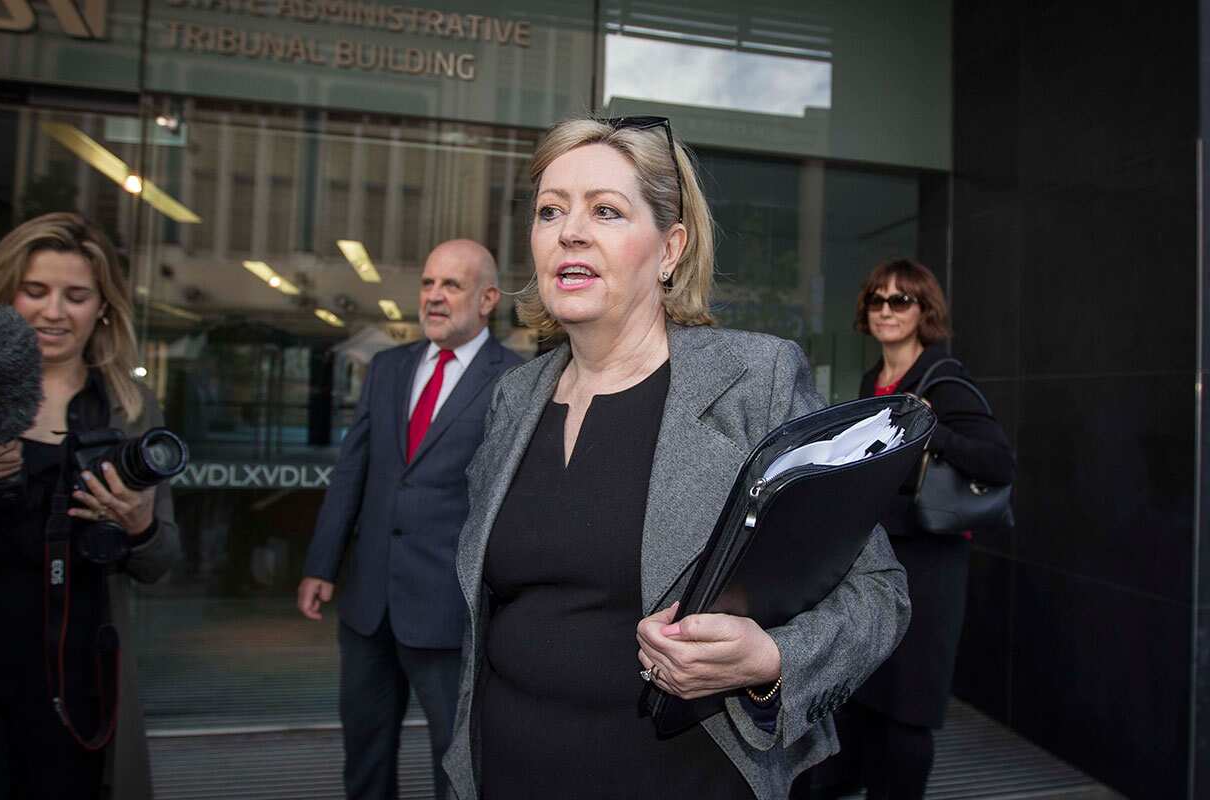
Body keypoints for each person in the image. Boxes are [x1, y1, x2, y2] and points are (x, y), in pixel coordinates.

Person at [440, 116, 912, 800]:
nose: (570, 231)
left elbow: (880, 594)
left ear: (670, 249)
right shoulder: (512, 397)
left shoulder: (757, 381)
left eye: (605, 210)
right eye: (550, 211)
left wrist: (770, 658)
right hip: (506, 767)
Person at [0, 212, 180, 799]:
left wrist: (139, 523)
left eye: (76, 296)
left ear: (103, 308)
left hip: (75, 674)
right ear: (5, 293)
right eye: (35, 291)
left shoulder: (128, 406)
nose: (53, 312)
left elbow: (161, 559)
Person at [298, 239, 523, 800]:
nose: (435, 297)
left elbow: (512, 499)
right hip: (368, 605)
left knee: (457, 764)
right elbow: (352, 473)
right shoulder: (388, 368)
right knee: (365, 755)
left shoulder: (517, 381)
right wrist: (320, 564)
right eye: (428, 284)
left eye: (452, 285)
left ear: (488, 298)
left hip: (447, 611)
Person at [834, 258, 1016, 799]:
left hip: (931, 567)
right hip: (879, 557)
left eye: (901, 300)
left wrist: (932, 428)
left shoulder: (944, 379)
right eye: (877, 300)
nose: (886, 310)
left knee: (909, 709)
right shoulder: (876, 380)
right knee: (866, 696)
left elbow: (999, 464)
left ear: (924, 312)